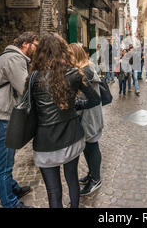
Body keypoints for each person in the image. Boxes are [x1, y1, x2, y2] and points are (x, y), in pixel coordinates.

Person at [29, 33, 101, 208]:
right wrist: (75, 106)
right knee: (72, 180)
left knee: (53, 192)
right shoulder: (74, 74)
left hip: (45, 140)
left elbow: (29, 108)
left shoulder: (34, 77)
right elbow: (95, 100)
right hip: (71, 136)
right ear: (63, 50)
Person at [0, 31, 39, 208]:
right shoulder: (14, 59)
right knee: (3, 166)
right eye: (35, 44)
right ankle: (10, 203)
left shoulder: (9, 57)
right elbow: (24, 89)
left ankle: (12, 188)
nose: (37, 48)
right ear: (26, 44)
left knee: (6, 161)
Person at [67, 43, 104, 195]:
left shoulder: (85, 71)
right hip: (90, 115)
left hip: (90, 116)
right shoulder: (86, 67)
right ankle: (92, 174)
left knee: (92, 147)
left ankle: (95, 179)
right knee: (89, 147)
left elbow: (83, 96)